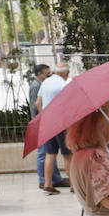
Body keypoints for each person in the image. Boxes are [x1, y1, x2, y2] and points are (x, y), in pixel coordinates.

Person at [36, 64, 71, 195]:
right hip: (61, 123)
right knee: (68, 155)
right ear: (66, 73)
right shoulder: (64, 85)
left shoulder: (45, 83)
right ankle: (73, 185)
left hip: (48, 122)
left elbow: (38, 103)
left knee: (50, 154)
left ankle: (47, 184)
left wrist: (44, 116)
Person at [29, 64, 51, 188]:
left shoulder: (42, 85)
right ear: (39, 74)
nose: (48, 76)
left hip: (43, 121)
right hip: (40, 122)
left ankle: (53, 177)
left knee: (50, 151)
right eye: (46, 73)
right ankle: (43, 179)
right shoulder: (36, 86)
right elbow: (34, 105)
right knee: (43, 151)